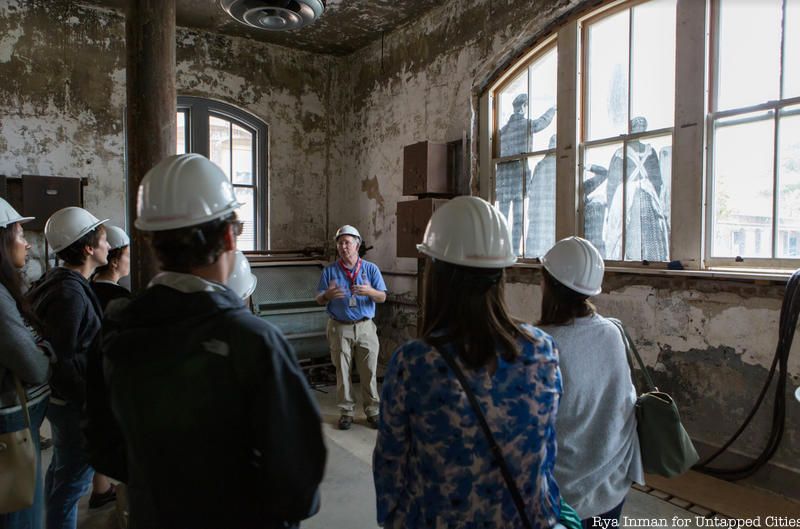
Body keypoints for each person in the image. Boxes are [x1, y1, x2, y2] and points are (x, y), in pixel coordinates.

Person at [100, 153, 326, 529]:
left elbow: (103, 443)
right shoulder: (252, 340)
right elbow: (297, 475)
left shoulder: (117, 326)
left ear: (152, 242)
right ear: (227, 237)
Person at [373, 196, 562, 528]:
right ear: (501, 274)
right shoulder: (542, 350)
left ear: (436, 273)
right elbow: (545, 456)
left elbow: (391, 469)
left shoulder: (414, 364)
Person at [538, 236, 643, 528]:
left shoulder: (542, 344)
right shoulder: (612, 331)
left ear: (547, 284)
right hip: (613, 485)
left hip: (565, 498)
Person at [27, 206, 109, 529]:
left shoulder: (60, 282)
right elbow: (62, 358)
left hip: (63, 404)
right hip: (74, 405)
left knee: (62, 474)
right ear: (88, 248)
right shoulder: (69, 293)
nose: (108, 247)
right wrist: (89, 402)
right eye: (103, 240)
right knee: (73, 485)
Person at [0, 198, 53, 529]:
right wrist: (47, 350)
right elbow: (31, 364)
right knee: (21, 514)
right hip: (11, 427)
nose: (27, 243)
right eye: (19, 234)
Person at [316, 225, 387, 431]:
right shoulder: (330, 271)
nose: (343, 246)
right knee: (342, 371)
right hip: (339, 327)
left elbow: (382, 297)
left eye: (347, 242)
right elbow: (319, 299)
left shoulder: (371, 269)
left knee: (369, 371)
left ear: (357, 244)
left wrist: (369, 291)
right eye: (340, 243)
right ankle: (346, 412)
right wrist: (327, 296)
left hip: (365, 327)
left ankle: (372, 411)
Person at [497, 93, 556, 254]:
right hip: (517, 179)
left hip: (503, 181)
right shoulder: (525, 125)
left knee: (501, 219)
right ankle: (514, 252)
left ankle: (499, 251)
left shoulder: (503, 130)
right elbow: (541, 123)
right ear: (524, 107)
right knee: (517, 220)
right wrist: (553, 109)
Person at [604, 116, 669, 261]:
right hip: (635, 195)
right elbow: (656, 182)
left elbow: (612, 184)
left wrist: (611, 206)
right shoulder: (622, 153)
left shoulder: (648, 152)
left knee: (636, 232)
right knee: (624, 232)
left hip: (636, 195)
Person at [526, 134, 557, 257]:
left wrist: (531, 212)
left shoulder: (540, 165)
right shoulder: (559, 165)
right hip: (552, 212)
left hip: (538, 212)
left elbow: (532, 191)